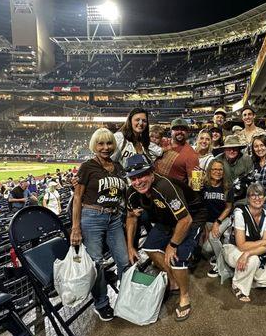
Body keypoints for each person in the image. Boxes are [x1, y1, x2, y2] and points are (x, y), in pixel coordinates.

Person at [125, 154, 207, 322]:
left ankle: (184, 296)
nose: (138, 181)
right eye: (133, 178)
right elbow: (131, 217)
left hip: (192, 216)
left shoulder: (164, 186)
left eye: (142, 175)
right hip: (167, 219)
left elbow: (185, 220)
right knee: (150, 248)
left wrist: (172, 244)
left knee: (177, 258)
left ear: (151, 172)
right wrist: (130, 247)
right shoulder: (132, 192)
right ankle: (173, 281)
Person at [70, 128, 129, 322]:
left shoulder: (118, 166)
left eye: (109, 143)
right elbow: (77, 197)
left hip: (114, 218)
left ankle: (126, 296)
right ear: (94, 146)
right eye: (101, 144)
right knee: (96, 263)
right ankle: (102, 304)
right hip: (91, 216)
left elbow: (121, 194)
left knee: (123, 260)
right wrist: (75, 227)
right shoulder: (87, 167)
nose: (105, 147)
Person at [223, 183, 266, 302]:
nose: (257, 198)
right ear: (248, 198)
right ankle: (238, 286)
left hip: (250, 253)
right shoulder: (240, 212)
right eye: (253, 195)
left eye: (260, 195)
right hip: (233, 249)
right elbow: (241, 245)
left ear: (265, 198)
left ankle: (245, 275)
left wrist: (248, 253)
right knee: (253, 260)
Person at [201, 159, 234, 278]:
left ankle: (222, 267)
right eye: (214, 169)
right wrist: (205, 226)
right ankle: (218, 255)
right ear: (209, 171)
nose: (217, 171)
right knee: (206, 248)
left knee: (213, 237)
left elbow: (228, 208)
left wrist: (217, 222)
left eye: (220, 169)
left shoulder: (227, 187)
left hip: (223, 219)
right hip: (208, 221)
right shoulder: (204, 186)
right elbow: (201, 207)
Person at [154, 118, 199, 184]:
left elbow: (194, 183)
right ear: (171, 131)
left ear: (188, 132)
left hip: (172, 192)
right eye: (176, 129)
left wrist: (198, 181)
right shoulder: (161, 142)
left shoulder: (191, 154)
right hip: (151, 188)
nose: (179, 132)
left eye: (183, 129)